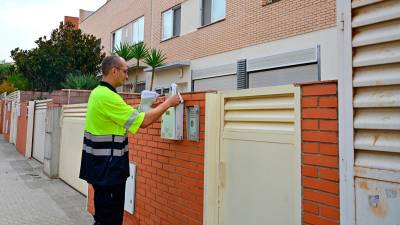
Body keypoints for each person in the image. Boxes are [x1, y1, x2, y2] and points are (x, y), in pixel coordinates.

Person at [79, 56, 181, 225]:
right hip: (108, 172)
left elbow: (126, 117)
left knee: (103, 218)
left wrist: (146, 106)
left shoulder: (98, 93)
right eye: (125, 71)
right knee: (109, 221)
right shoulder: (108, 97)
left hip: (100, 169)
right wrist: (169, 103)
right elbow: (144, 122)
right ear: (114, 71)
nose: (127, 76)